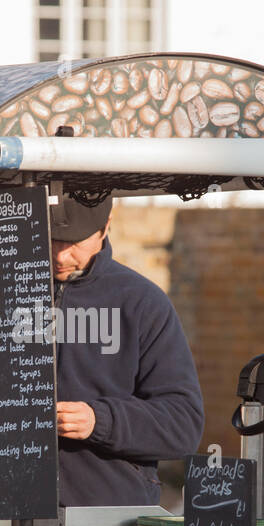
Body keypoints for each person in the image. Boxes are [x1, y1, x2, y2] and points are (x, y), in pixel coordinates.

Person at [48, 195, 204, 506]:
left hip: (109, 517)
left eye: (76, 241)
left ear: (105, 228)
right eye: (52, 239)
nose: (63, 254)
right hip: (3, 513)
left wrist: (99, 421)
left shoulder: (142, 302)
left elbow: (184, 424)